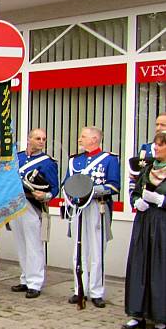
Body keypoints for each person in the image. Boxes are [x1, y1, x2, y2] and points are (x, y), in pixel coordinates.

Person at [64, 126, 120, 308]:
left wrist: (91, 191)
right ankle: (79, 289)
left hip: (98, 206)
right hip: (79, 208)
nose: (79, 140)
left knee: (97, 250)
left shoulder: (109, 160)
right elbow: (67, 183)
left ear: (94, 139)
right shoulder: (74, 161)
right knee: (78, 250)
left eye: (83, 136)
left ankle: (96, 291)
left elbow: (114, 186)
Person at [123, 131, 166, 329]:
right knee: (140, 264)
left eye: (160, 145)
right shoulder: (147, 168)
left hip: (163, 222)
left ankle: (160, 316)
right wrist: (136, 201)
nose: (155, 148)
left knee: (159, 267)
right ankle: (137, 313)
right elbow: (136, 190)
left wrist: (161, 201)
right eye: (155, 145)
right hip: (144, 220)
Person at [9, 128, 59, 299]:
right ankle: (25, 278)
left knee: (34, 246)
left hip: (33, 205)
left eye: (44, 139)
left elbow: (54, 188)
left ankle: (35, 282)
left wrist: (45, 195)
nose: (41, 141)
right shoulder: (18, 157)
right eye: (38, 138)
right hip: (16, 204)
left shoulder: (48, 163)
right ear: (29, 139)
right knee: (21, 244)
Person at [129, 112, 166, 194]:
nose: (158, 128)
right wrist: (135, 201)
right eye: (157, 125)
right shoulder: (146, 148)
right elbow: (135, 178)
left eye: (163, 125)